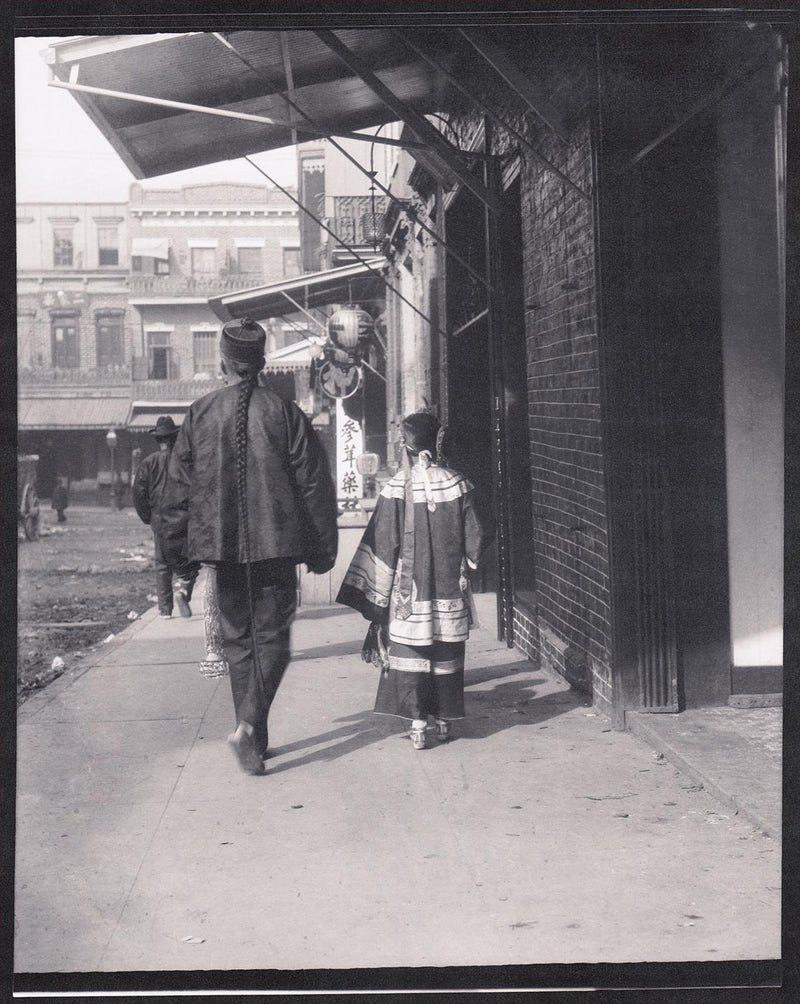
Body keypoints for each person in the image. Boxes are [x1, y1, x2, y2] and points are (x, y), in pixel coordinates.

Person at [160, 317, 338, 776]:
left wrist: (178, 555)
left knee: (240, 642)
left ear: (223, 362)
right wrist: (322, 548)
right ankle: (249, 730)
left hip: (220, 549)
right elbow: (314, 484)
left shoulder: (199, 412)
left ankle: (253, 740)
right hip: (278, 546)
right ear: (259, 364)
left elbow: (177, 492)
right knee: (273, 640)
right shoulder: (285, 412)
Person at [336, 412, 484, 749]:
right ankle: (445, 720)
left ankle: (418, 724)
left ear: (406, 446)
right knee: (446, 651)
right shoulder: (458, 483)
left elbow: (384, 544)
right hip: (449, 590)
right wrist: (467, 564)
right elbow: (476, 535)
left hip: (409, 594)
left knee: (411, 654)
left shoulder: (395, 488)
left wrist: (376, 594)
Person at [132, 416, 201, 619]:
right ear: (175, 437)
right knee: (191, 560)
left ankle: (165, 609)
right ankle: (184, 591)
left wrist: (148, 517)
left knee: (162, 563)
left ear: (158, 440)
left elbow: (138, 494)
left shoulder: (149, 463)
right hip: (186, 518)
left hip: (160, 519)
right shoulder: (186, 462)